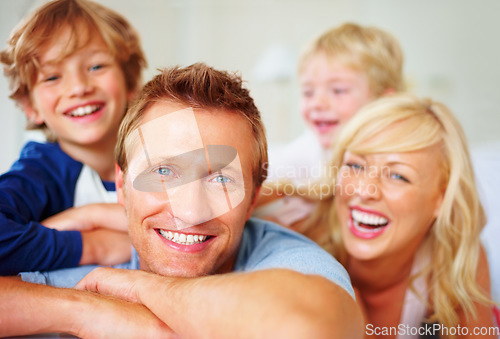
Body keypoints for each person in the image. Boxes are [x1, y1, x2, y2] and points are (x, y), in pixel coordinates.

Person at [1, 64, 364, 338]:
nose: (190, 211)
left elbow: (312, 326)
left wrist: (143, 290)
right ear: (123, 186)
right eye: (163, 172)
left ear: (253, 198)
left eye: (221, 179)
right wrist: (84, 310)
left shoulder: (290, 265)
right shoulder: (85, 271)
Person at [306, 93, 496, 336]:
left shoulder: (454, 259)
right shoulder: (304, 236)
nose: (365, 190)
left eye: (398, 176)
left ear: (441, 198)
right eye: (355, 165)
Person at [0, 0, 147, 275]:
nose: (79, 87)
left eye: (96, 67)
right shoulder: (40, 171)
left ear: (129, 82)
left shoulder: (160, 153)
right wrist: (93, 245)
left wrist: (89, 216)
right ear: (31, 107)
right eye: (52, 77)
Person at [255, 23, 405, 233]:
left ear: (382, 102)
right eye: (308, 92)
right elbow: (269, 171)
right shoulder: (311, 146)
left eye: (338, 90)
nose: (317, 103)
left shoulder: (396, 153)